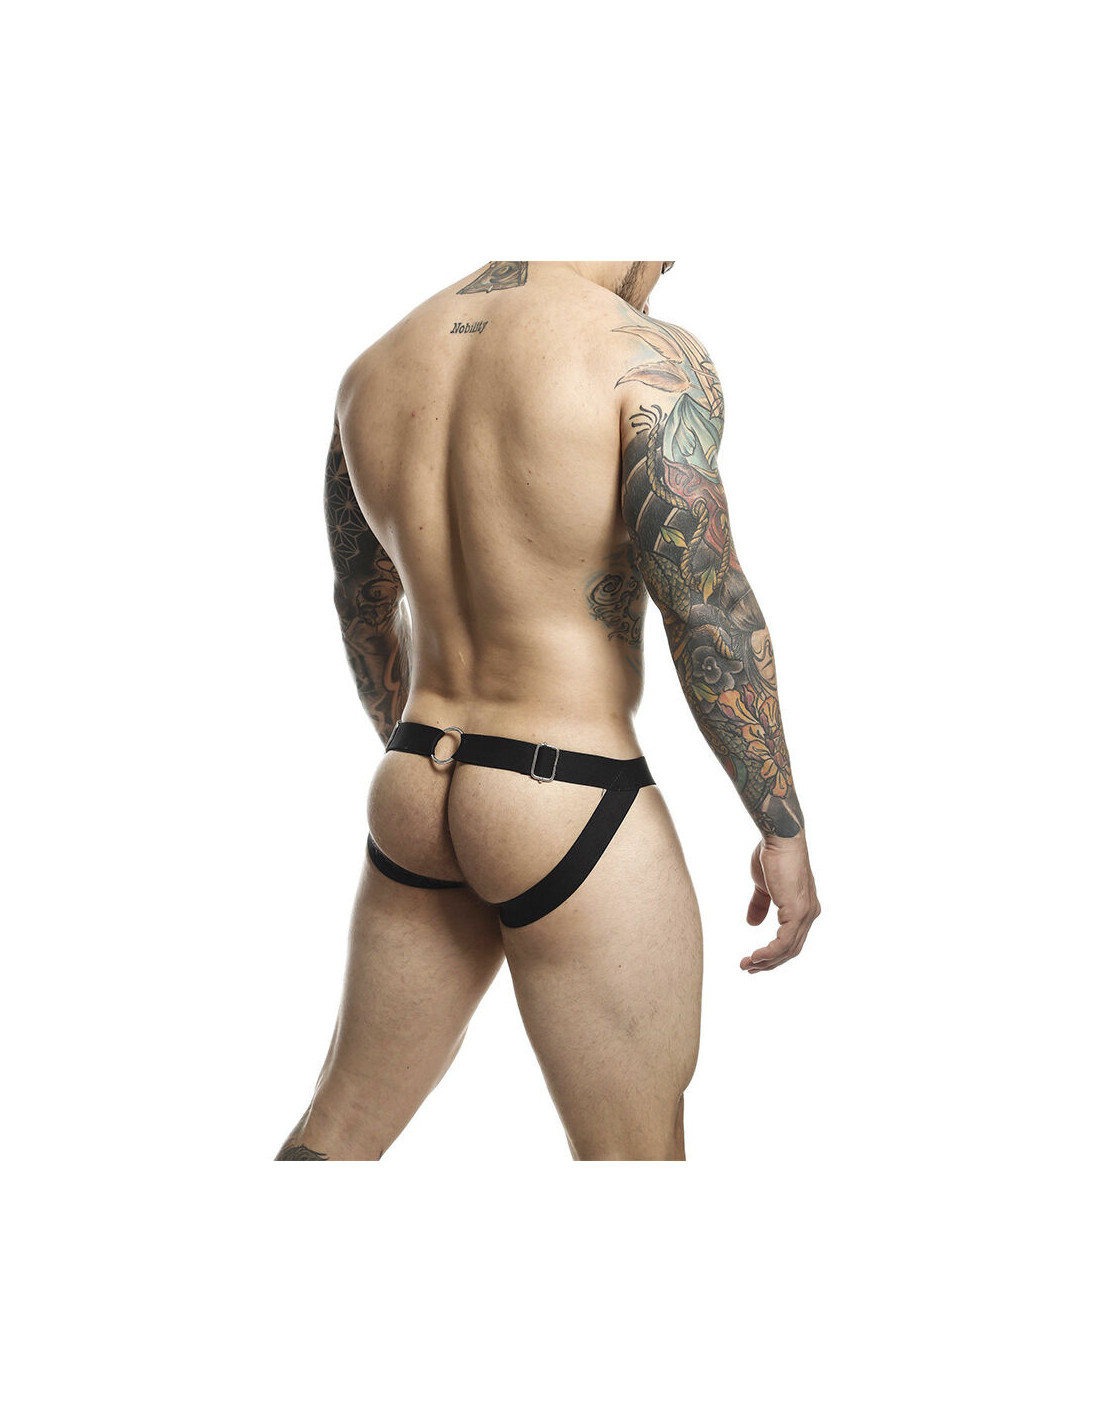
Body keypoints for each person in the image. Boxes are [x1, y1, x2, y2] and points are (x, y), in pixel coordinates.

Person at [275, 261, 821, 1162]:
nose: (662, 273)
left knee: (337, 1132)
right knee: (636, 1158)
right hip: (566, 791)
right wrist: (781, 828)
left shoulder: (376, 366)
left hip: (415, 776)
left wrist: (428, 769)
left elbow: (361, 601)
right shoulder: (641, 358)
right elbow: (707, 609)